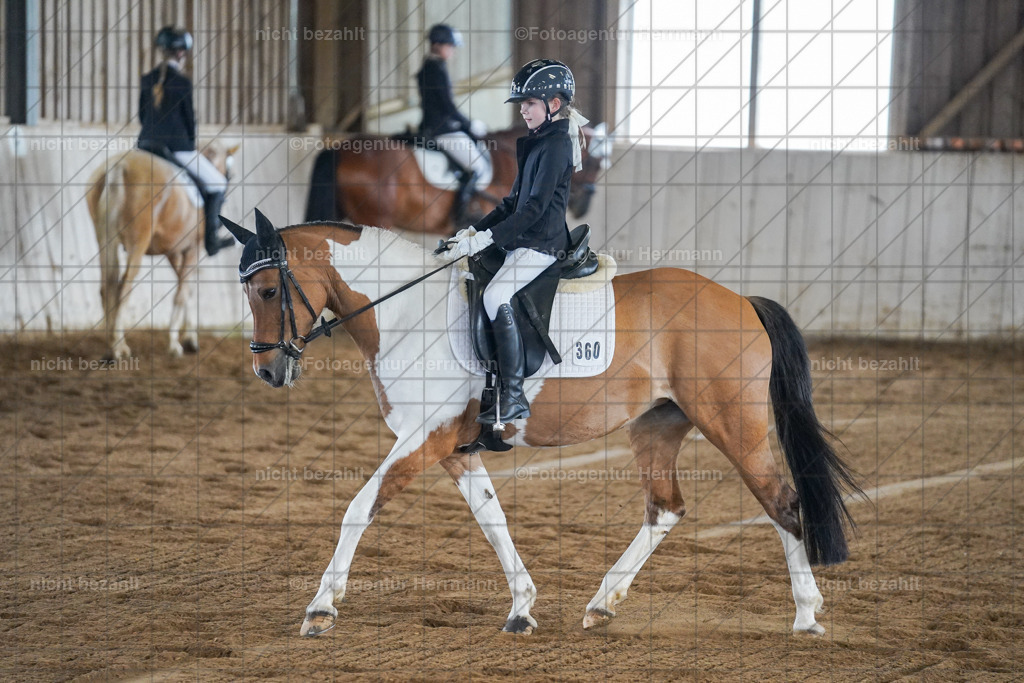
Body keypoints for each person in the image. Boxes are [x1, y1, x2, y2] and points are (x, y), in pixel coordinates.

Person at [444, 59, 589, 425]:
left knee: (495, 296)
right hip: (524, 238)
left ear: (553, 105)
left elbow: (536, 208)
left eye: (529, 103)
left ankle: (513, 394)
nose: (522, 110)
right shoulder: (537, 141)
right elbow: (511, 203)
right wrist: (476, 232)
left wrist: (491, 238)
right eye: (521, 104)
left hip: (542, 244)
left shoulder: (556, 146)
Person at [138, 25, 234, 257]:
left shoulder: (147, 79)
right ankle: (211, 240)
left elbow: (142, 116)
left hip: (145, 147)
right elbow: (190, 123)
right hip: (176, 149)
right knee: (218, 184)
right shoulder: (182, 83)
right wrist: (190, 145)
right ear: (181, 53)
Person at [416, 23, 488, 224]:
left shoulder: (430, 67)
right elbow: (447, 106)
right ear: (437, 44)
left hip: (433, 126)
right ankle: (462, 217)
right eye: (450, 46)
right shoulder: (435, 69)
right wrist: (468, 124)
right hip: (443, 130)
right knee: (478, 167)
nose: (452, 50)